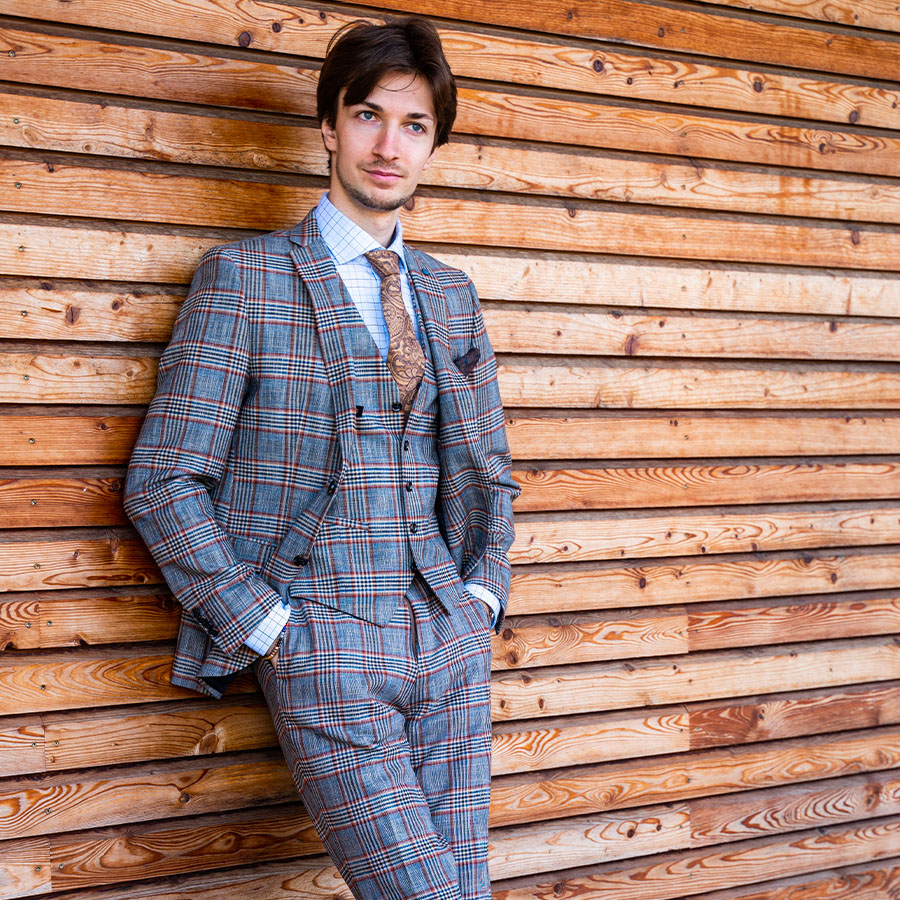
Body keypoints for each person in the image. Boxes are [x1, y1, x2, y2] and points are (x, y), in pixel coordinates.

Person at [123, 14, 519, 900]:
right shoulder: (247, 279)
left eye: (414, 125)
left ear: (434, 145)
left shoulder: (450, 295)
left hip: (449, 639)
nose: (389, 146)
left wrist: (482, 598)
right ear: (330, 126)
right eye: (369, 115)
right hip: (322, 639)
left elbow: (489, 470)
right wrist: (270, 629)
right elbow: (164, 479)